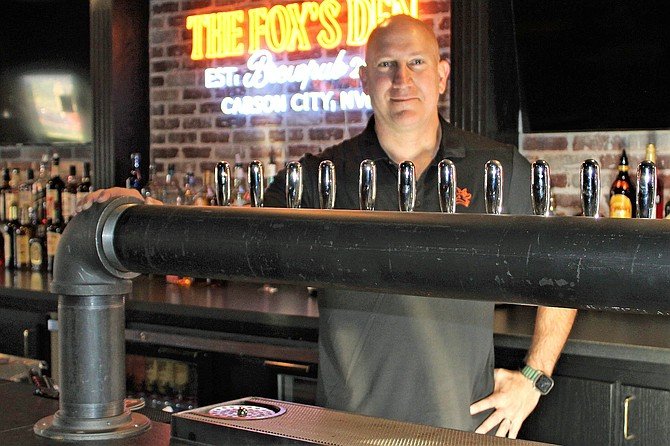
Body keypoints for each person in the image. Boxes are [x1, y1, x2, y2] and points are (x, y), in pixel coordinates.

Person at [79, 14, 576, 438]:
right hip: (346, 426)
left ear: (442, 75)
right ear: (363, 79)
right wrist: (149, 210)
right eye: (385, 66)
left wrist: (535, 376)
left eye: (417, 63)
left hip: (461, 427)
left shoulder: (497, 169)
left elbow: (565, 267)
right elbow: (230, 236)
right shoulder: (322, 175)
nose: (401, 79)